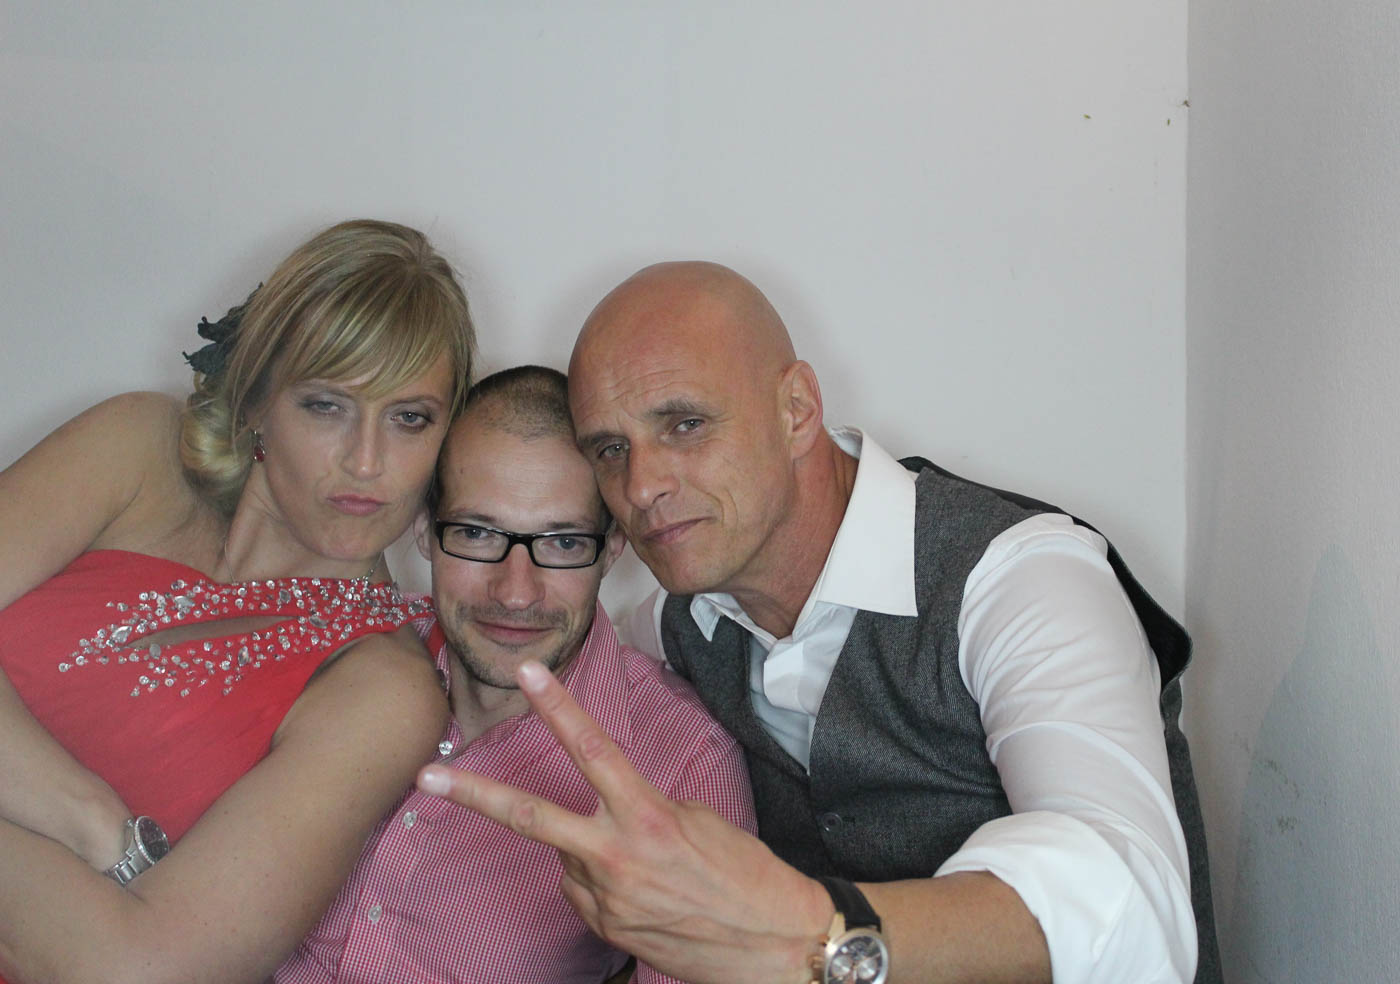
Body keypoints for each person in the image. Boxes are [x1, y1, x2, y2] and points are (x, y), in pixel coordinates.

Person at [419, 261, 1222, 984]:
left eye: (685, 424)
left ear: (797, 408)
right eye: (609, 449)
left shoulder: (1019, 576)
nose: (643, 485)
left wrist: (806, 930)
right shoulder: (669, 626)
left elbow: (1132, 900)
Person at [0, 219, 477, 984]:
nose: (366, 461)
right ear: (255, 398)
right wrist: (90, 822)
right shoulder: (137, 449)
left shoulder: (381, 691)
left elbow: (139, 972)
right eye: (326, 405)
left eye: (409, 418)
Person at [274, 365, 755, 984]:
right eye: (477, 533)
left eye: (562, 543)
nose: (516, 592)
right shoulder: (338, 651)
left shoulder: (682, 765)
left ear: (611, 550)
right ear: (423, 531)